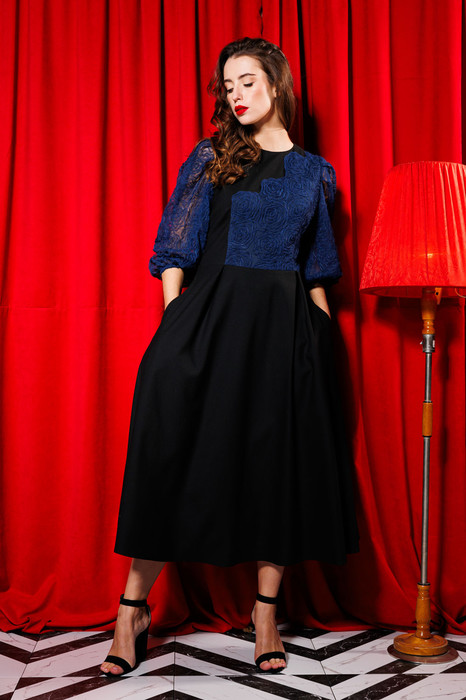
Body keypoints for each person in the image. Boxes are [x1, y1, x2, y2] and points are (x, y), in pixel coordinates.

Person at [100, 36, 359, 678]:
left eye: (247, 81)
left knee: (278, 469)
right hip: (208, 321)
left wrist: (321, 337)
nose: (235, 94)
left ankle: (265, 614)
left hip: (287, 332)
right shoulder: (211, 155)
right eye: (227, 85)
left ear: (277, 83)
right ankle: (132, 611)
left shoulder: (315, 173)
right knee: (168, 454)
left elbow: (319, 267)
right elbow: (175, 244)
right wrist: (174, 318)